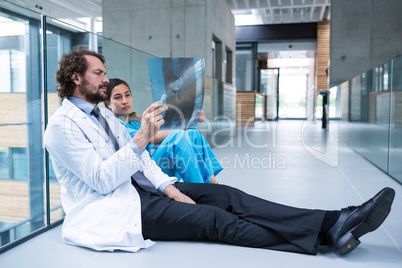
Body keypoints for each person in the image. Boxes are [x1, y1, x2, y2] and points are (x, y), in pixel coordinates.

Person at [44, 46, 395, 256]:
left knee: (226, 195)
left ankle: (333, 222)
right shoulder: (61, 127)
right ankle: (326, 233)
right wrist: (140, 140)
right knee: (216, 220)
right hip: (114, 208)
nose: (106, 80)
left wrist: (170, 189)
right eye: (99, 73)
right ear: (76, 77)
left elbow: (144, 163)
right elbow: (102, 181)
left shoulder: (103, 115)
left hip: (143, 192)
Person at [104, 78, 221, 184]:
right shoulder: (114, 124)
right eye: (117, 97)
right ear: (108, 103)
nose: (125, 101)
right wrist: (186, 125)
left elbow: (166, 128)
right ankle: (200, 190)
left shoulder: (136, 122)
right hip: (142, 172)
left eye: (127, 95)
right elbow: (152, 137)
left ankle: (214, 186)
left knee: (193, 134)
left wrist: (191, 119)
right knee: (178, 136)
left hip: (155, 163)